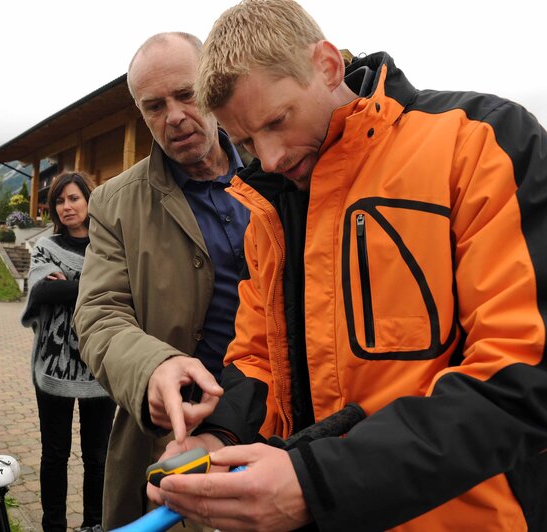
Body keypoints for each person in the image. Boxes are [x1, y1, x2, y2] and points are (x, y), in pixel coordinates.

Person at [148, 1, 547, 530]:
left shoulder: (479, 141)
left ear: (328, 66)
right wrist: (216, 435)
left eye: (276, 121)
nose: (269, 160)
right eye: (244, 142)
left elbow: (522, 373)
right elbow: (258, 356)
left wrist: (319, 483)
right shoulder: (269, 201)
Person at [73, 32, 251, 529]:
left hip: (280, 428)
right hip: (176, 438)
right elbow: (98, 313)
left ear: (214, 85)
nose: (173, 116)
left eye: (186, 94)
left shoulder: (277, 168)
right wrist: (153, 367)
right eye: (154, 106)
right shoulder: (114, 203)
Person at [21, 171, 116, 532]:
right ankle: (54, 526)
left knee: (97, 456)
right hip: (53, 366)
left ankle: (94, 524)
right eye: (60, 200)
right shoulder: (46, 246)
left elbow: (121, 287)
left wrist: (69, 284)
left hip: (100, 363)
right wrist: (91, 285)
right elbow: (41, 293)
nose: (66, 207)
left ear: (90, 200)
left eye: (74, 198)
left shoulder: (109, 244)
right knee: (55, 454)